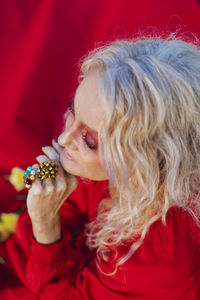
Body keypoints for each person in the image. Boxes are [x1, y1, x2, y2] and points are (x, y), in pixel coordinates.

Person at [0, 34, 200, 299]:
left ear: (148, 160)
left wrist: (45, 223)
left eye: (89, 139)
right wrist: (41, 191)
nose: (63, 139)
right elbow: (39, 186)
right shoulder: (105, 166)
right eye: (73, 109)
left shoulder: (159, 259)